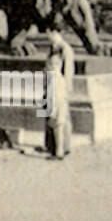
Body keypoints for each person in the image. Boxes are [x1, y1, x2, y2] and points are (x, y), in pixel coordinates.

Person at [44, 29, 74, 159]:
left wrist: (67, 88)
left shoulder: (64, 49)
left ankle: (59, 150)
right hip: (51, 85)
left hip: (58, 85)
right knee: (56, 117)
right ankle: (57, 147)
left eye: (51, 34)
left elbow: (68, 70)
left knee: (58, 118)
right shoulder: (53, 48)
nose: (49, 37)